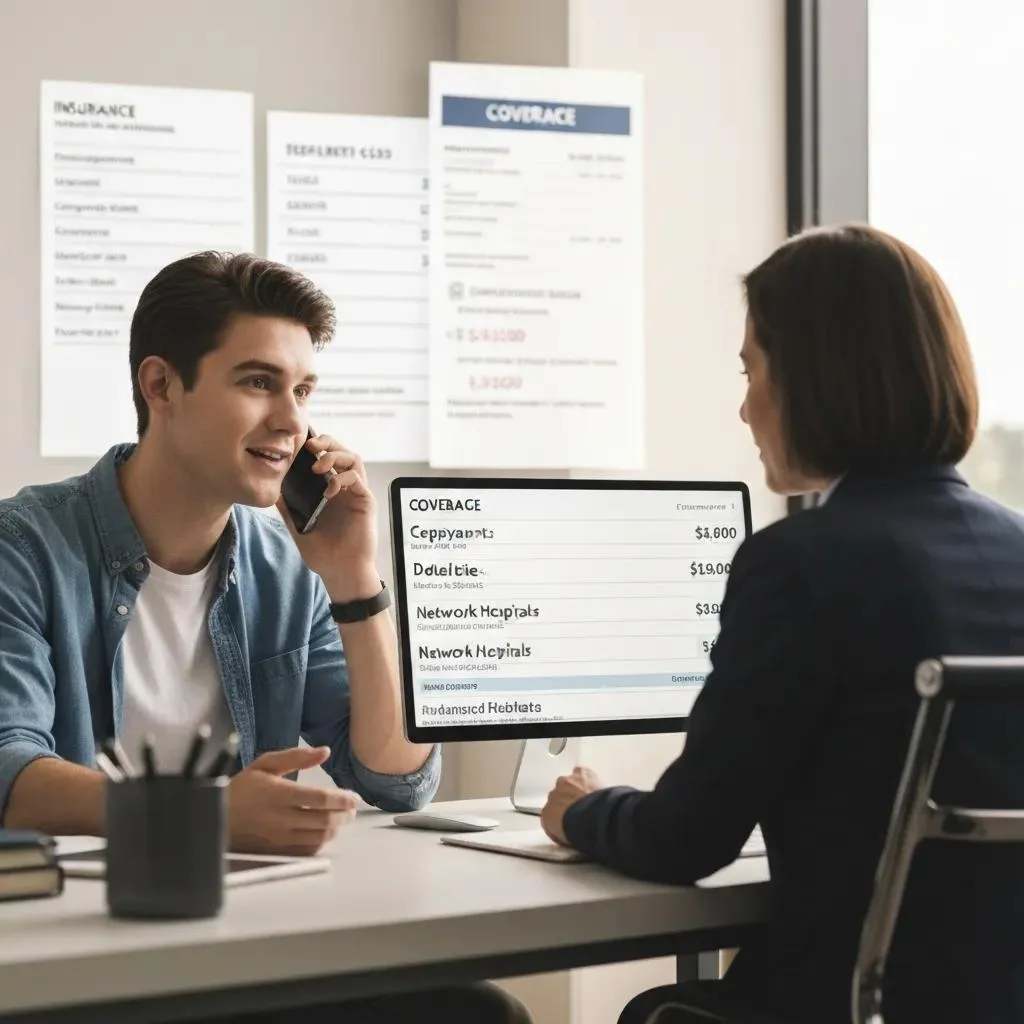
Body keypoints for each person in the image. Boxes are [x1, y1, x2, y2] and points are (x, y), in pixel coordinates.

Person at [0, 251, 530, 1024]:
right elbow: (11, 772)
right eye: (258, 383)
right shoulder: (24, 546)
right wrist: (209, 814)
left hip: (236, 944)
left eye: (303, 390)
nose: (292, 421)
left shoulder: (284, 560)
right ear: (161, 386)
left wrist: (353, 580)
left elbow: (396, 778)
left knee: (477, 1013)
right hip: (74, 957)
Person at [540, 225, 1024, 1024]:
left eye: (751, 369)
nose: (743, 405)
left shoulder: (800, 562)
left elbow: (686, 840)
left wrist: (583, 810)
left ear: (815, 378)